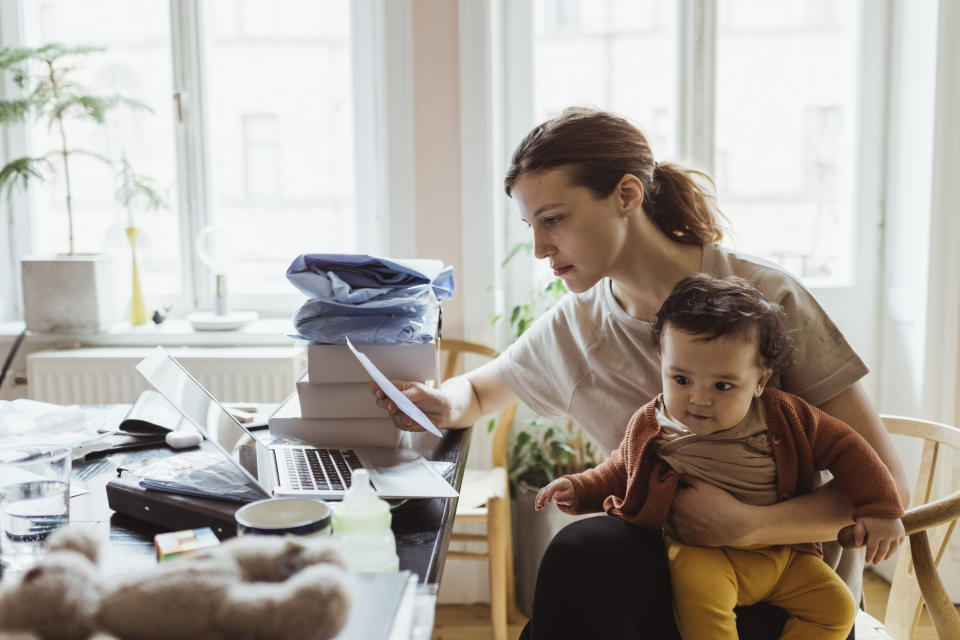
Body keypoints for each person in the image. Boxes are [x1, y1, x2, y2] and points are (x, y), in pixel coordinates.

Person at [370, 107, 909, 639]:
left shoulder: (762, 300)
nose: (539, 248)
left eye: (554, 219)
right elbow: (478, 392)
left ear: (627, 195)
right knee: (583, 556)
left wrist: (750, 526)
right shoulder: (574, 328)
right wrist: (439, 402)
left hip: (789, 581)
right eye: (531, 225)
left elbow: (888, 484)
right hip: (672, 564)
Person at [534, 274, 905, 640]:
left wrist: (880, 508)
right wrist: (579, 488)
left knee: (836, 608)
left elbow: (849, 448)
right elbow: (620, 468)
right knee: (703, 613)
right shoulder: (654, 423)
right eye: (681, 380)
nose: (699, 398)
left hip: (785, 558)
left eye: (723, 385)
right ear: (662, 363)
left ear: (760, 381)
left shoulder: (786, 416)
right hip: (704, 556)